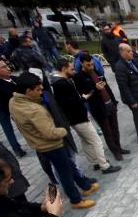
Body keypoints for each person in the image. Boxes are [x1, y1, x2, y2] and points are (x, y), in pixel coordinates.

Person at [10, 72, 98, 208]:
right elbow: (50, 133)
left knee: (69, 165)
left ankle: (85, 186)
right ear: (28, 91)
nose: (41, 93)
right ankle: (76, 200)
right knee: (65, 173)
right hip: (51, 145)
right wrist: (64, 130)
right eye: (38, 90)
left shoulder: (14, 101)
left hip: (41, 144)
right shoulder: (33, 110)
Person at [51, 59, 121, 174]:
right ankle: (105, 166)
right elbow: (73, 102)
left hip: (74, 118)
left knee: (86, 141)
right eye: (71, 69)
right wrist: (85, 97)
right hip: (78, 118)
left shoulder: (59, 82)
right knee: (96, 141)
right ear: (64, 69)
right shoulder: (62, 84)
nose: (74, 71)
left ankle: (95, 162)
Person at [75, 53, 129, 160]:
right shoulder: (79, 77)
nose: (91, 67)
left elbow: (107, 88)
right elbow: (85, 95)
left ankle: (118, 147)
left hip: (109, 103)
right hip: (98, 108)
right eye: (88, 65)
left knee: (115, 128)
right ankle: (115, 151)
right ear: (82, 63)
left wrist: (114, 102)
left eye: (92, 64)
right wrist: (95, 89)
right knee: (107, 131)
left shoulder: (97, 71)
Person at [0, 58, 27, 157]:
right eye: (4, 67)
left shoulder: (13, 79)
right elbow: (9, 108)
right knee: (7, 126)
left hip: (10, 105)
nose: (8, 68)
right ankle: (16, 148)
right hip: (3, 106)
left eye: (7, 65)